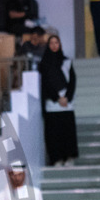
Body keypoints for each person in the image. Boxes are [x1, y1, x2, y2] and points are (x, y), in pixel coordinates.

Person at [37, 34, 77, 166]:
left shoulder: (67, 61)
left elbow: (72, 81)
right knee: (54, 132)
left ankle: (69, 158)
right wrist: (57, 98)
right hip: (52, 104)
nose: (54, 45)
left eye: (56, 43)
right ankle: (56, 158)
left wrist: (67, 98)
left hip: (66, 103)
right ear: (48, 46)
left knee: (68, 131)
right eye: (51, 43)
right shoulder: (44, 64)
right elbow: (45, 84)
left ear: (60, 45)